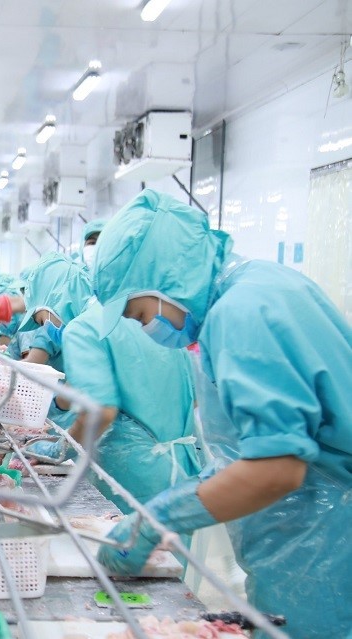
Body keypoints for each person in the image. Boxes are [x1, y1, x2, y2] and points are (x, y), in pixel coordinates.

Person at [92, 189, 351, 638]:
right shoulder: (256, 288)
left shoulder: (242, 312)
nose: (144, 328)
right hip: (303, 529)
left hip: (323, 537)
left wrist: (159, 518)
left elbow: (277, 468)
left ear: (164, 281)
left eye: (138, 314)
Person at [19, 253, 201, 513]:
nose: (46, 328)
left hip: (134, 474)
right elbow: (192, 397)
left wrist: (61, 449)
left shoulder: (83, 328)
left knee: (124, 548)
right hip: (184, 466)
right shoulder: (146, 319)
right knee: (170, 551)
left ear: (54, 300)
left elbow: (99, 411)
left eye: (41, 320)